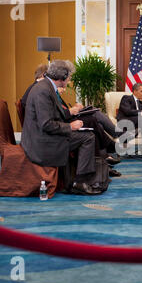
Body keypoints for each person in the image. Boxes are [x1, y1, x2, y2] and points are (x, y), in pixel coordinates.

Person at [21, 60, 101, 195]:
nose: (69, 80)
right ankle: (79, 182)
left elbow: (53, 115)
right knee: (88, 138)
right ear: (62, 78)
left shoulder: (46, 86)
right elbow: (46, 124)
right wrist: (70, 126)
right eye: (69, 77)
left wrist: (70, 114)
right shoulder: (43, 91)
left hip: (43, 136)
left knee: (87, 133)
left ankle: (77, 179)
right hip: (41, 142)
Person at [117, 83, 142, 164]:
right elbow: (127, 112)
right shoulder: (126, 98)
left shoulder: (141, 103)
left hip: (138, 125)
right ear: (135, 91)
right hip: (126, 123)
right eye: (141, 91)